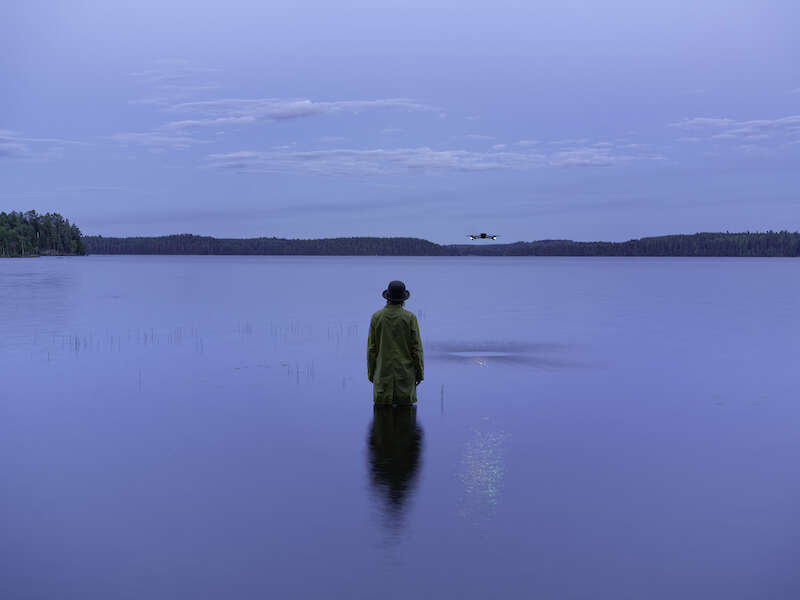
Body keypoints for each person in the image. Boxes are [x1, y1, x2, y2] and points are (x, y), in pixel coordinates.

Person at [367, 280, 424, 405]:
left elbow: (372, 349)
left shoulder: (376, 317)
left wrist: (372, 374)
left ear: (387, 298)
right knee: (406, 422)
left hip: (382, 378)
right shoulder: (409, 318)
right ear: (403, 299)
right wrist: (419, 374)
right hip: (405, 379)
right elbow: (416, 349)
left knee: (382, 422)